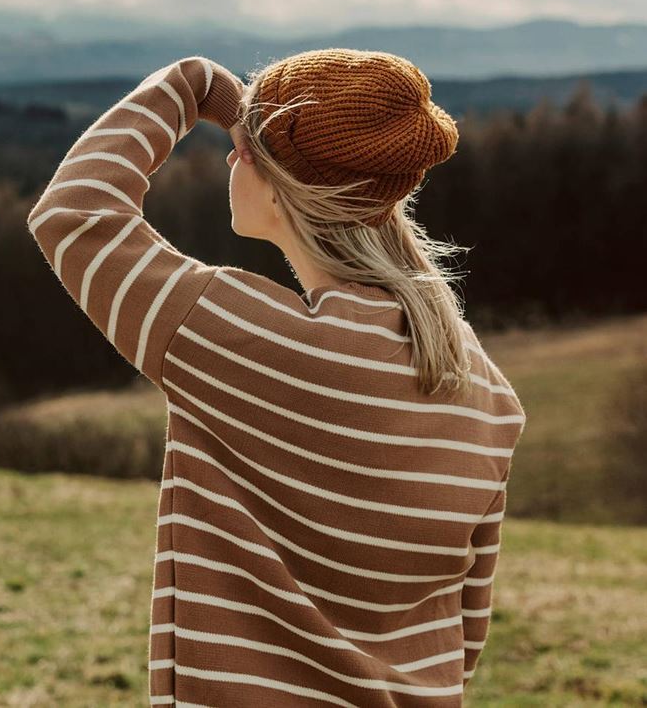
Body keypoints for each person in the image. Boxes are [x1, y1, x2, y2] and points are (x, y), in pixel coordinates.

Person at [26, 48, 527, 707]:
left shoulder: (247, 342)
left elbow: (74, 212)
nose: (232, 157)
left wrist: (194, 85)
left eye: (245, 146)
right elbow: (460, 636)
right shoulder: (487, 393)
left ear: (274, 178)